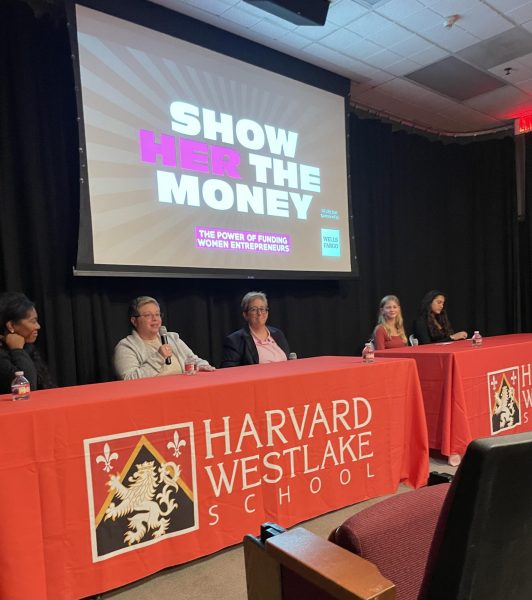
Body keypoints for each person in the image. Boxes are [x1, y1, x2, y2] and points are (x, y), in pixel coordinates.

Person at [114, 296, 215, 380]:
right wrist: (159, 357)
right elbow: (129, 379)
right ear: (134, 321)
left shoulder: (172, 338)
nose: (155, 319)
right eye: (148, 315)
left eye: (157, 314)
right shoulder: (126, 346)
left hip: (183, 389)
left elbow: (192, 359)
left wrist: (201, 365)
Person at [0, 292, 54, 393]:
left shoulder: (28, 348)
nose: (38, 326)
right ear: (11, 325)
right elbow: (26, 389)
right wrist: (17, 350)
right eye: (33, 321)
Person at [221, 291, 290, 367]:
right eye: (254, 309)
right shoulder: (235, 340)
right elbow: (229, 371)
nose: (259, 313)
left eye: (262, 309)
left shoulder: (277, 333)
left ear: (267, 313)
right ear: (245, 315)